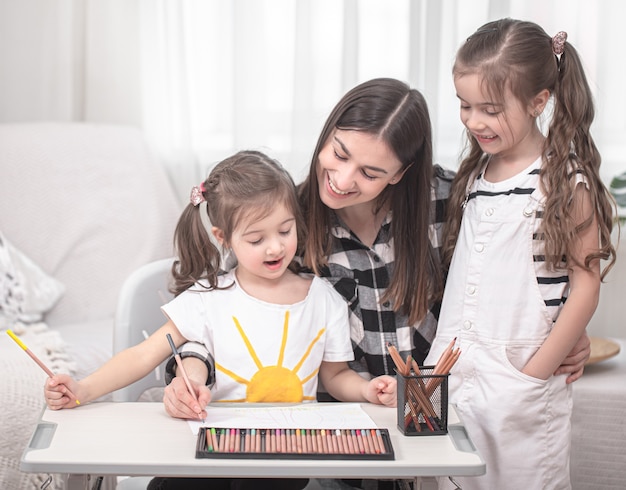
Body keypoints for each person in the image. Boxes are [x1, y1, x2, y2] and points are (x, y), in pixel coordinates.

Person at [162, 78, 593, 490]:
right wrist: (189, 372)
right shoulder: (284, 224)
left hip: (432, 431)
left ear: (400, 173)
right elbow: (221, 316)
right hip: (336, 440)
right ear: (327, 132)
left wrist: (565, 326)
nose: (344, 179)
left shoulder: (449, 200)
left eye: (370, 172)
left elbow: (506, 277)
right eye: (339, 153)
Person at [43, 150, 397, 490]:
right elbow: (142, 355)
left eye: (285, 231)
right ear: (223, 238)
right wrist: (83, 389)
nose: (275, 248)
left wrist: (366, 390)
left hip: (287, 450)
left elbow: (335, 377)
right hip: (211, 443)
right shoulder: (208, 297)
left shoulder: (324, 300)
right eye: (257, 239)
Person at [424, 19, 617, 490]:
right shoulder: (475, 176)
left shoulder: (564, 181)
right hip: (453, 376)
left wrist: (535, 373)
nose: (473, 121)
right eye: (464, 106)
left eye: (490, 109)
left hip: (521, 385)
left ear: (538, 102)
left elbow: (585, 286)